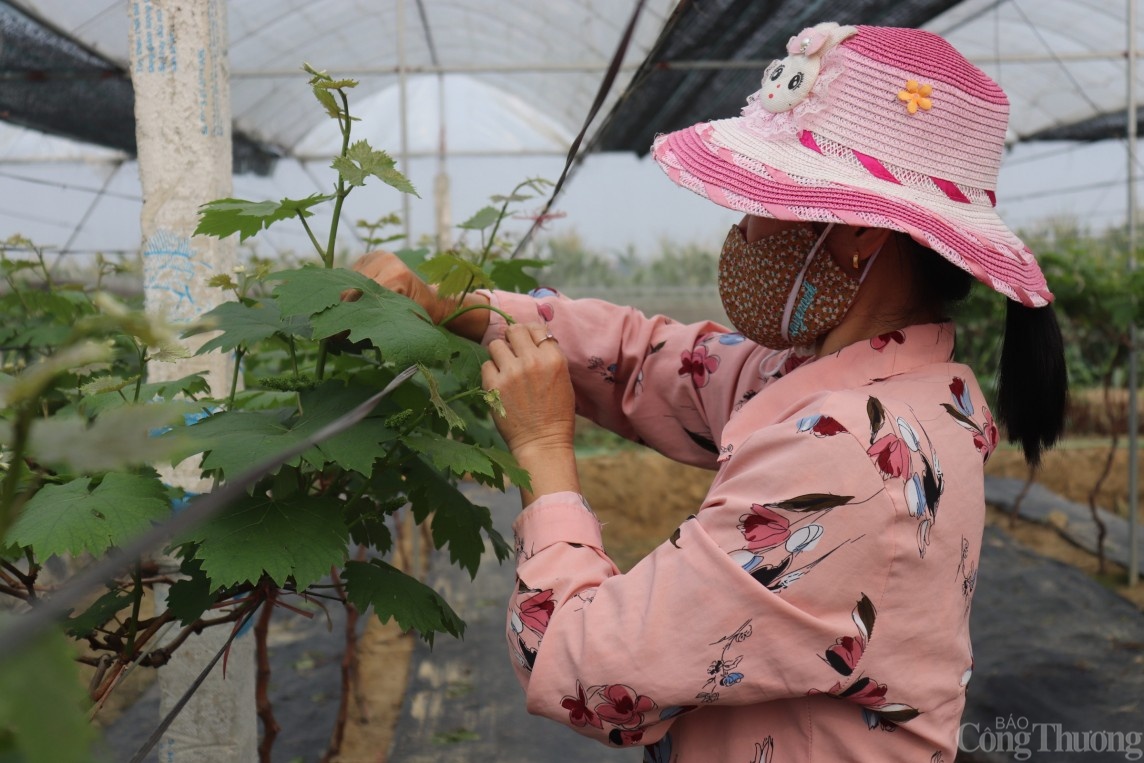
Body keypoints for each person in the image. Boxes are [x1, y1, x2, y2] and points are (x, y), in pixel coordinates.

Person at [351, 22, 1067, 763]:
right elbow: (646, 361)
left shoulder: (848, 457)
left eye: (768, 198)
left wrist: (541, 450)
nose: (745, 228)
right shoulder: (891, 388)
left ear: (856, 233)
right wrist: (447, 307)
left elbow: (589, 668)